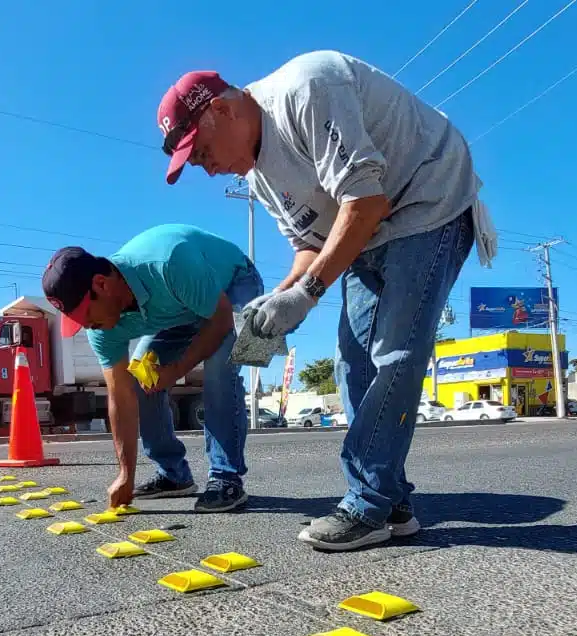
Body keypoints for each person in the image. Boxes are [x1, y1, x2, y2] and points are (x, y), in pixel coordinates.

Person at [156, 50, 495, 551]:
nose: (206, 170)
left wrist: (308, 294)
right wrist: (280, 300)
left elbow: (366, 201)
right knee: (351, 364)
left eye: (201, 152)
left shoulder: (306, 89)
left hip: (428, 200)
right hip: (367, 231)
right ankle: (392, 500)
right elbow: (309, 247)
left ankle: (369, 501)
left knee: (394, 356)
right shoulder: (257, 177)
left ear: (221, 111)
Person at [40, 224, 263, 513]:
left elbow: (220, 321)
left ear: (102, 284)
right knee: (139, 379)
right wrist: (126, 476)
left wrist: (177, 369)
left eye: (86, 316)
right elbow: (120, 397)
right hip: (181, 309)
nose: (86, 327)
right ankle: (173, 474)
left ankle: (225, 477)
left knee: (220, 368)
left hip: (232, 283)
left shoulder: (169, 262)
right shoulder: (101, 329)